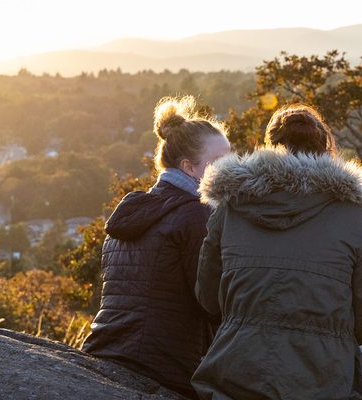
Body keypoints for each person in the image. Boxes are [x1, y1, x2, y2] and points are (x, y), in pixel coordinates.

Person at [193, 105, 362, 399]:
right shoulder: (354, 216)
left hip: (235, 374)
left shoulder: (231, 207)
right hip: (324, 381)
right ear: (324, 148)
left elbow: (207, 299)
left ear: (271, 147)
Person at [81, 96, 232, 398]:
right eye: (220, 164)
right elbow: (212, 305)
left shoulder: (132, 212)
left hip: (104, 351)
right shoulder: (195, 214)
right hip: (163, 366)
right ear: (190, 168)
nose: (231, 170)